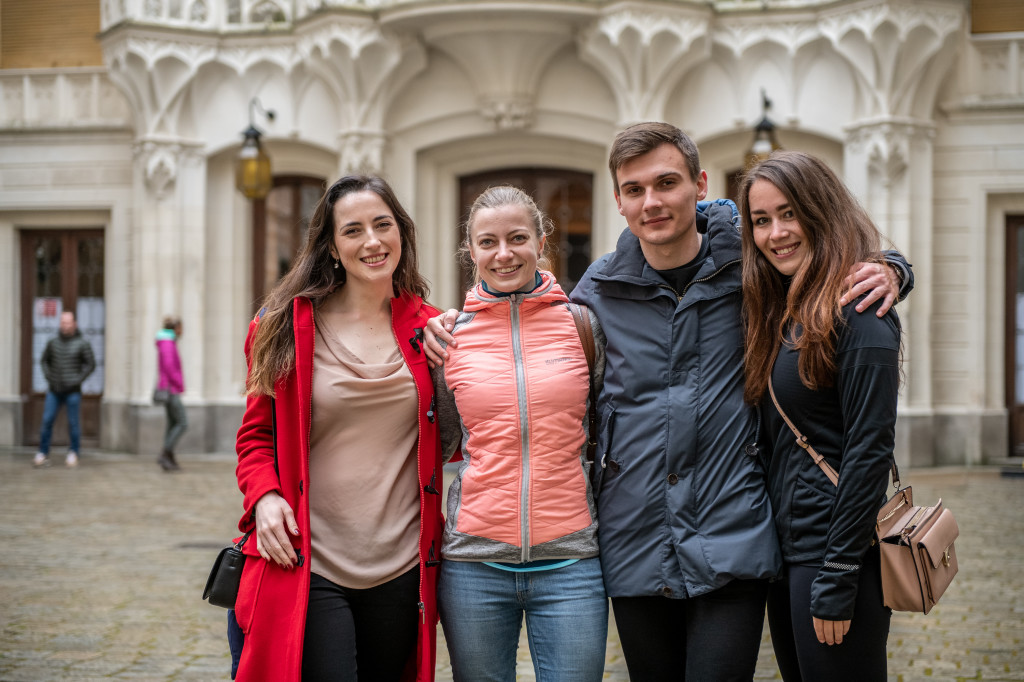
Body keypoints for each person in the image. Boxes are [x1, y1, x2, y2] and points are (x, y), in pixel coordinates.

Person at [424, 122, 911, 681]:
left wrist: (893, 268)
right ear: (619, 200)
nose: (652, 202)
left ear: (700, 185)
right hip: (636, 545)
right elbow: (528, 327)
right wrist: (450, 326)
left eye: (666, 183)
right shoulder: (597, 294)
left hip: (733, 541)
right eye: (635, 189)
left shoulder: (750, 272)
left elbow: (819, 254)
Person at [232, 175, 444, 682]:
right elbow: (255, 437)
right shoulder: (282, 325)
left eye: (382, 225)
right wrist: (264, 498)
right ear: (331, 246)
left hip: (403, 568)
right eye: (353, 230)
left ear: (401, 234)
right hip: (310, 561)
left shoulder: (433, 328)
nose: (371, 241)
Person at [431, 186, 608, 681]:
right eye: (488, 242)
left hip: (571, 561)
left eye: (517, 238)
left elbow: (606, 427)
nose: (503, 254)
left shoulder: (582, 327)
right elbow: (443, 441)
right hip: (473, 565)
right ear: (471, 251)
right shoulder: (449, 338)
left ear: (541, 240)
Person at [739, 151, 899, 681]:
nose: (776, 233)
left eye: (790, 214)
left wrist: (839, 571)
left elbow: (870, 451)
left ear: (821, 211)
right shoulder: (784, 306)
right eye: (761, 220)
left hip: (833, 556)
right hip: (786, 555)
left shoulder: (860, 312)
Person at [34, 310, 96, 468]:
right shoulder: (53, 342)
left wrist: (77, 379)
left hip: (73, 391)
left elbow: (90, 364)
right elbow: (44, 361)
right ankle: (43, 452)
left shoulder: (82, 343)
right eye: (62, 322)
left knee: (73, 423)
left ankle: (73, 452)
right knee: (47, 421)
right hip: (54, 390)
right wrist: (49, 377)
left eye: (67, 322)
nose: (65, 325)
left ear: (74, 324)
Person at [156, 317, 187, 471]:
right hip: (170, 389)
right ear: (175, 328)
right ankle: (165, 453)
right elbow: (169, 367)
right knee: (182, 422)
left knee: (172, 423)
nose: (182, 331)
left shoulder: (167, 341)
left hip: (168, 388)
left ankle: (169, 456)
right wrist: (179, 383)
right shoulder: (168, 343)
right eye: (181, 328)